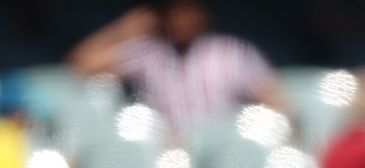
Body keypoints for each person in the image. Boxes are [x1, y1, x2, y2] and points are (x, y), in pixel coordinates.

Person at [70, 0, 281, 137]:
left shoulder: (233, 52)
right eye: (173, 11)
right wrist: (125, 29)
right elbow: (81, 64)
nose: (180, 19)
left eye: (187, 10)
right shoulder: (149, 53)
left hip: (224, 150)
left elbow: (277, 103)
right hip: (169, 154)